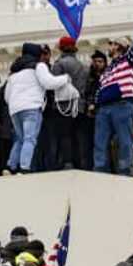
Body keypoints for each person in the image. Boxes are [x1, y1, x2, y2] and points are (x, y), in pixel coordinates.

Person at [94, 13, 133, 175]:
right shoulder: (107, 70)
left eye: (111, 44)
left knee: (125, 142)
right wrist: (95, 101)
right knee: (100, 142)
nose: (108, 47)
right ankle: (100, 171)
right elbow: (101, 87)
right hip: (104, 109)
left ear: (118, 46)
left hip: (123, 105)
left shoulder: (128, 60)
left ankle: (125, 173)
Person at [4, 43, 70, 174]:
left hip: (15, 110)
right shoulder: (39, 66)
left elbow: (7, 96)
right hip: (32, 107)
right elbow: (48, 83)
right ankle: (24, 168)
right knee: (30, 139)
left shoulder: (14, 73)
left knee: (20, 139)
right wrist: (65, 78)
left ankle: (10, 167)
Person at [50, 36, 90, 170]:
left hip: (64, 107)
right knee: (77, 136)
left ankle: (67, 163)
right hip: (79, 107)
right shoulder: (83, 66)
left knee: (65, 136)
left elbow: (53, 84)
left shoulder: (59, 64)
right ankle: (79, 164)